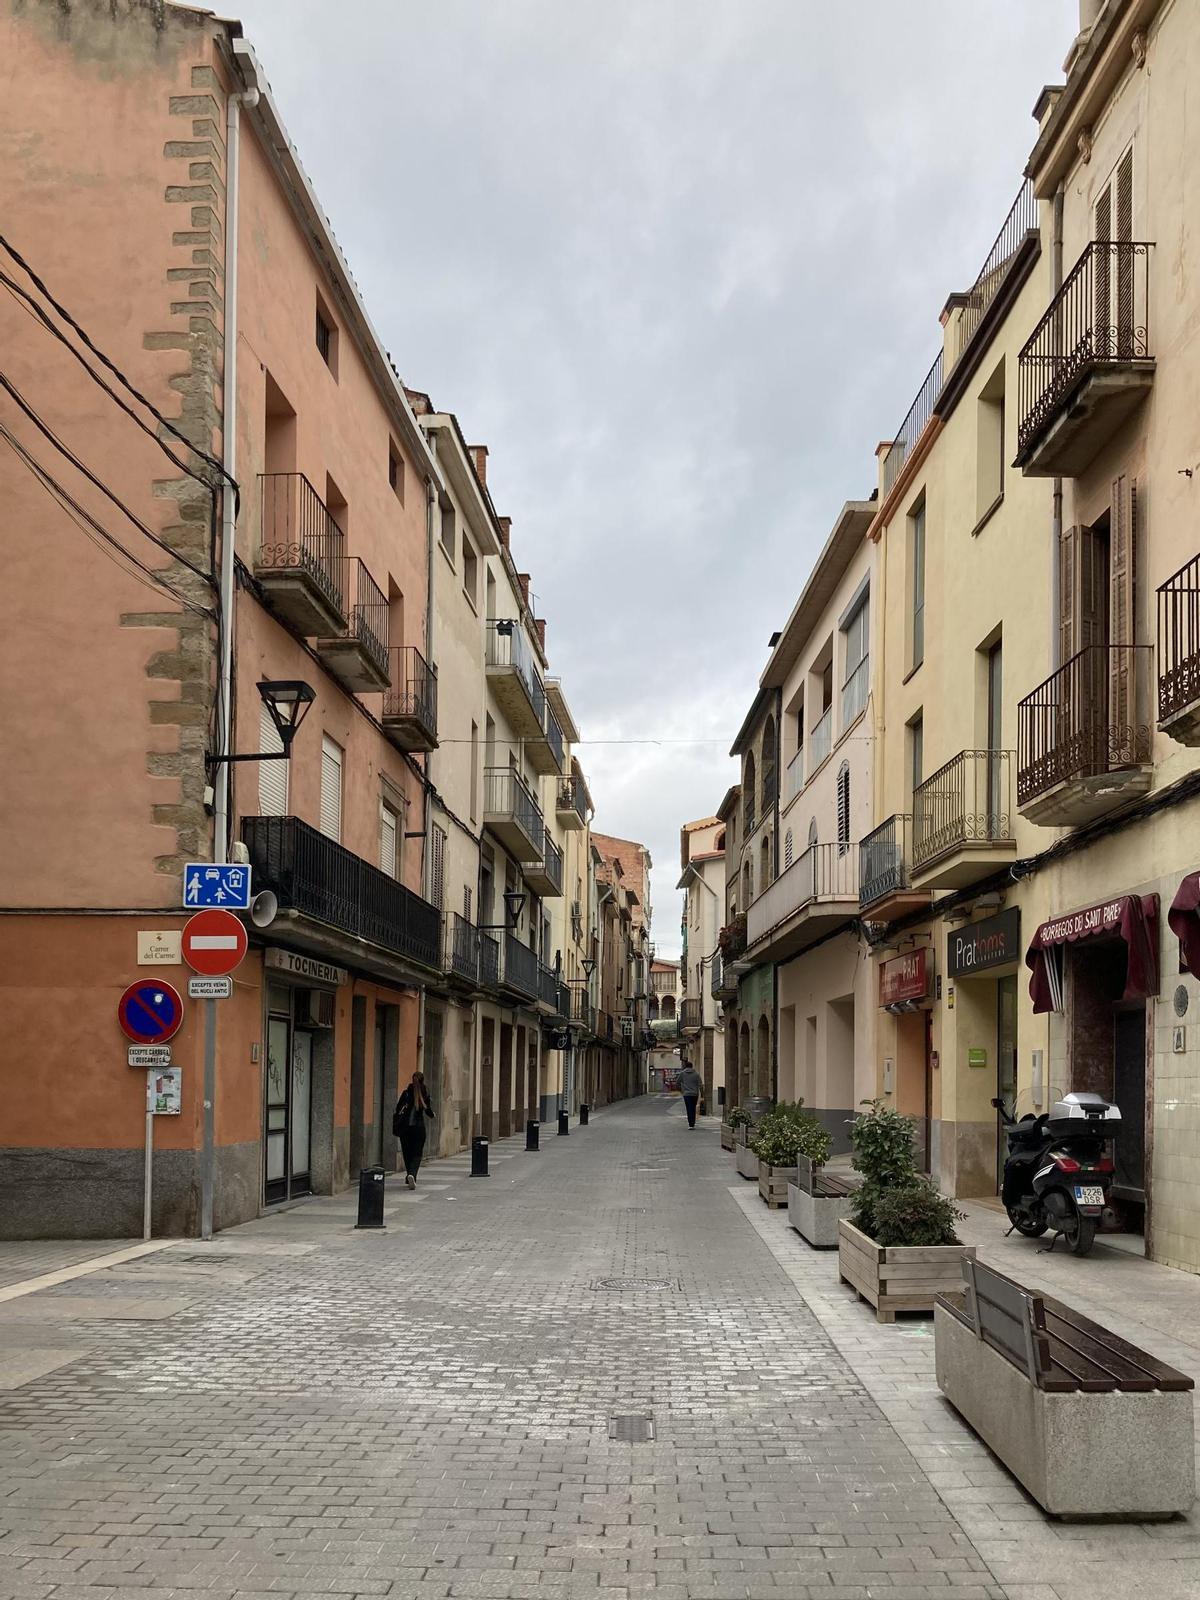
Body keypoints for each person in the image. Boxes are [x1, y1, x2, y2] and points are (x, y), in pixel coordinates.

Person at [392, 1070, 436, 1187]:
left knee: (407, 1153)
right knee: (417, 1153)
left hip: (405, 1129)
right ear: (422, 1081)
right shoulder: (424, 1093)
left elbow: (397, 1109)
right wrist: (432, 1114)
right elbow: (428, 1110)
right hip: (418, 1128)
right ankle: (412, 1174)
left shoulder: (406, 1093)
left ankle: (409, 1175)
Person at [676, 1061, 703, 1129]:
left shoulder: (682, 1074)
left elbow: (677, 1083)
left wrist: (682, 1090)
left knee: (688, 1108)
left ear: (685, 1066)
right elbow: (700, 1085)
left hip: (686, 1094)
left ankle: (690, 1124)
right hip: (694, 1094)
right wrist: (702, 1093)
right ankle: (692, 1123)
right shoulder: (696, 1074)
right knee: (693, 1108)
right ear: (692, 1066)